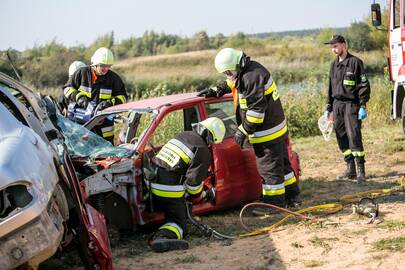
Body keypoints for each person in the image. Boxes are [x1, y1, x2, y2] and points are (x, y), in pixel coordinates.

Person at [198, 48, 300, 209]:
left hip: (267, 133)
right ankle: (292, 196)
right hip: (276, 128)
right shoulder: (248, 70)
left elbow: (256, 112)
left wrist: (243, 130)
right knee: (283, 166)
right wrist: (218, 89)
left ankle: (274, 204)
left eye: (228, 72)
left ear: (236, 66)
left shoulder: (252, 78)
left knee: (269, 170)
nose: (228, 75)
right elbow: (234, 82)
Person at [148, 117, 225, 252]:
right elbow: (193, 184)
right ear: (210, 137)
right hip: (169, 190)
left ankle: (161, 231)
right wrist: (203, 195)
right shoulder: (202, 149)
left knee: (172, 211)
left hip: (152, 184)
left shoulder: (182, 135)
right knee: (179, 224)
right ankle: (161, 237)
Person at [323, 35, 370, 183]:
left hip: (352, 105)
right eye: (332, 46)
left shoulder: (355, 63)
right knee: (341, 136)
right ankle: (350, 170)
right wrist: (328, 107)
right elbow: (330, 88)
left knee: (354, 136)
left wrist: (362, 105)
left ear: (344, 45)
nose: (333, 49)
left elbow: (364, 86)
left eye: (336, 45)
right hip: (337, 106)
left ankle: (361, 171)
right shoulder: (333, 65)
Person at [63, 47, 128, 142]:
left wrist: (110, 103)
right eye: (102, 66)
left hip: (105, 129)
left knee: (107, 154)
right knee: (83, 152)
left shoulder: (113, 79)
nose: (106, 68)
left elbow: (123, 97)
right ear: (95, 64)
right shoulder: (82, 74)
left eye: (108, 65)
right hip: (83, 125)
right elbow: (67, 89)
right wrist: (80, 98)